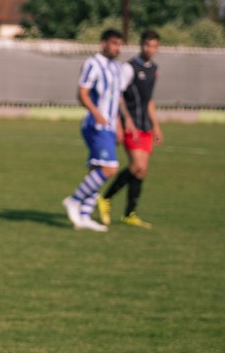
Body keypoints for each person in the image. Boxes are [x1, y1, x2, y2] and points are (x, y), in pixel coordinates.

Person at [62, 28, 133, 232]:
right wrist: (96, 113)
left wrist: (119, 123)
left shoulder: (117, 68)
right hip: (95, 125)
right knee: (109, 168)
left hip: (110, 126)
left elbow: (117, 97)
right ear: (103, 43)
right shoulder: (92, 64)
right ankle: (74, 200)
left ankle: (84, 216)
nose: (116, 48)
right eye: (113, 43)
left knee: (97, 170)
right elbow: (82, 93)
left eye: (119, 44)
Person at [98, 29, 162, 228]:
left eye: (154, 46)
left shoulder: (154, 69)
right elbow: (118, 96)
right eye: (147, 45)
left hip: (145, 127)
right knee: (136, 166)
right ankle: (105, 198)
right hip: (130, 125)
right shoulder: (129, 68)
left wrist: (156, 126)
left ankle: (129, 214)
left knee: (142, 171)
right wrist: (125, 121)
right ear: (141, 45)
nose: (150, 49)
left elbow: (149, 100)